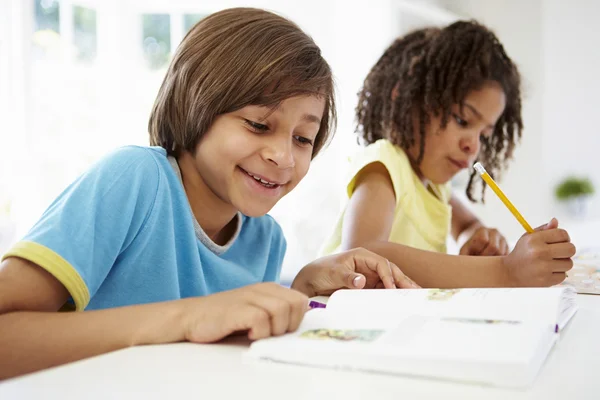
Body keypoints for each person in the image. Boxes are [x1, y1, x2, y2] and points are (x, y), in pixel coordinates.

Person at [0, 8, 417, 380]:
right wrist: (186, 317)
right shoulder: (135, 180)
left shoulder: (265, 238)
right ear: (195, 105)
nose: (283, 156)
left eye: (303, 138)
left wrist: (301, 289)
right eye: (258, 125)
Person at [320, 21, 575, 288]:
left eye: (483, 134)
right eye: (463, 120)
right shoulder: (384, 167)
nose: (473, 146)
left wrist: (478, 238)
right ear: (408, 99)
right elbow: (362, 254)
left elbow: (468, 224)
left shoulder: (436, 188)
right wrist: (503, 270)